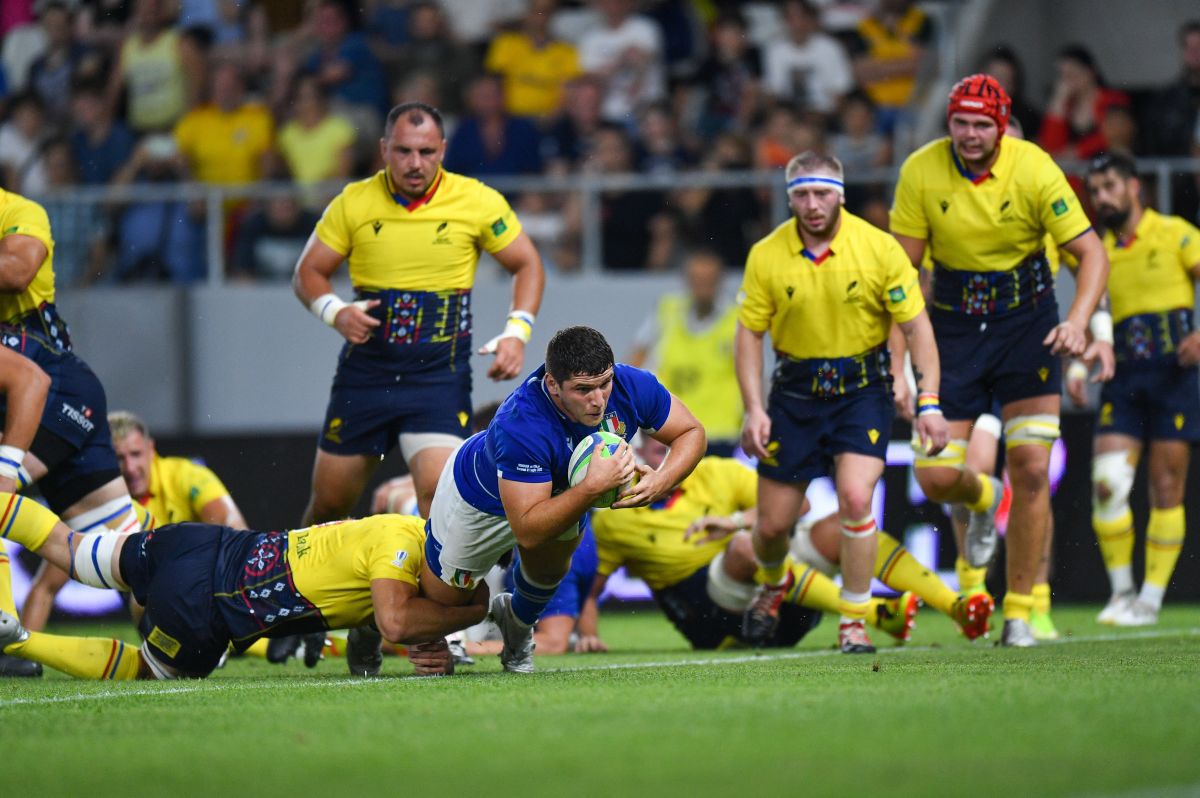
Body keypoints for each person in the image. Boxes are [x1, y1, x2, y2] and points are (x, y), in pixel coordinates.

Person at [889, 73, 1109, 647]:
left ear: (1002, 124)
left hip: (1027, 324)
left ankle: (1019, 611)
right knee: (936, 477)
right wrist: (897, 367)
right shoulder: (920, 170)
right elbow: (900, 279)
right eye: (959, 122)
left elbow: (1090, 253)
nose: (968, 133)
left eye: (981, 124)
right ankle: (984, 498)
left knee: (1033, 468)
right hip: (954, 330)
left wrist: (1080, 322)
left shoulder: (1034, 167)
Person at [293, 100, 545, 528]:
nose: (415, 163)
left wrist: (516, 333)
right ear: (384, 149)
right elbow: (308, 272)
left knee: (439, 499)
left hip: (437, 378)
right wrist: (334, 312)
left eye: (426, 152)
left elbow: (528, 264)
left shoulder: (476, 201)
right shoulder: (354, 202)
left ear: (442, 150)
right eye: (404, 151)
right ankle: (293, 591)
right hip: (367, 374)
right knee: (331, 504)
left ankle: (434, 596)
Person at [736, 150, 948, 655]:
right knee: (770, 528)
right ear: (788, 198)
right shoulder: (766, 254)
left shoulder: (879, 249)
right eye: (802, 195)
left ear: (841, 195)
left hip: (862, 390)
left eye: (822, 193)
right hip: (793, 394)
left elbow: (917, 328)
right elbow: (748, 336)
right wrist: (753, 407)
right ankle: (773, 581)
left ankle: (854, 619)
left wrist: (929, 401)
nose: (812, 205)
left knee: (856, 499)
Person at [421, 325, 706, 673]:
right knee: (439, 611)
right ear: (553, 385)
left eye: (604, 383)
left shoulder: (631, 385)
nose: (599, 399)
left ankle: (518, 628)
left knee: (552, 567)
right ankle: (370, 622)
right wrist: (589, 488)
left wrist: (662, 480)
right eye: (583, 389)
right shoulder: (521, 423)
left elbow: (692, 431)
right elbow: (526, 530)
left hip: (556, 494)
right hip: (477, 501)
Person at [0, 494, 489, 680]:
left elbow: (376, 628)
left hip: (195, 543)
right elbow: (395, 621)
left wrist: (430, 642)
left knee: (72, 549)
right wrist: (471, 614)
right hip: (206, 610)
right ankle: (19, 639)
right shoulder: (398, 556)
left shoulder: (397, 527)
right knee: (147, 675)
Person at [584, 437, 990, 651]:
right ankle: (872, 614)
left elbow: (800, 504)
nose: (666, 455)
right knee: (746, 548)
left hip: (779, 598)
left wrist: (733, 521)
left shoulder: (717, 473)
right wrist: (586, 634)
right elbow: (591, 585)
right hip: (715, 618)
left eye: (673, 447)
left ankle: (955, 605)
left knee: (839, 526)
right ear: (636, 453)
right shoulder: (615, 519)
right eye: (657, 447)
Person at [1070, 152, 1200, 627]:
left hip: (1175, 374)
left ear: (1134, 187)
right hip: (1121, 375)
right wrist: (1079, 371)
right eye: (1095, 191)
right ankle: (1122, 592)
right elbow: (1089, 321)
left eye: (1109, 187)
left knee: (1166, 486)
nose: (1101, 198)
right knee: (1107, 484)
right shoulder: (1095, 254)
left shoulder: (1175, 233)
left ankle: (1150, 598)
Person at [0, 320, 151, 670]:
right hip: (72, 392)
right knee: (131, 556)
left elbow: (32, 381)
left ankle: (5, 629)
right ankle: (193, 627)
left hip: (58, 396)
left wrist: (6, 471)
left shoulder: (188, 477)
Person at [629, 249, 743, 455]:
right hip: (670, 430)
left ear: (720, 281)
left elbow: (753, 373)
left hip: (719, 434)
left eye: (709, 280)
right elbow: (637, 358)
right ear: (686, 280)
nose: (702, 287)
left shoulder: (737, 320)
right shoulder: (667, 310)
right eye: (697, 279)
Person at [108, 411, 247, 529]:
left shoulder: (186, 474)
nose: (130, 468)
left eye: (136, 454)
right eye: (118, 458)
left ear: (151, 449)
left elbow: (231, 524)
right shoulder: (98, 496)